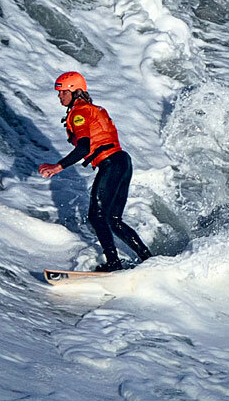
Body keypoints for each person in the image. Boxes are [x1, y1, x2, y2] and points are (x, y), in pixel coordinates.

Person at [38, 71, 151, 271]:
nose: (59, 96)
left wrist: (58, 166)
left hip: (111, 164)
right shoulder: (91, 109)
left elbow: (83, 147)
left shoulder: (80, 113)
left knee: (97, 216)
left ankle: (114, 263)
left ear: (75, 92)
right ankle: (149, 260)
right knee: (114, 220)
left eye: (63, 92)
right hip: (122, 162)